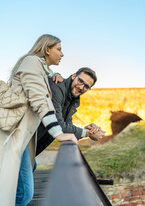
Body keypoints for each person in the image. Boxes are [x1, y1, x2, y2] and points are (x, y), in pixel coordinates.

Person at [0, 34, 78, 206]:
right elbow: (39, 99)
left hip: (23, 139)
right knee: (24, 194)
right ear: (47, 49)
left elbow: (38, 84)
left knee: (21, 183)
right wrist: (59, 133)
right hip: (14, 134)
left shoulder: (41, 69)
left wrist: (54, 75)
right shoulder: (32, 61)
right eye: (59, 49)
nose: (62, 54)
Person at [36, 67, 105, 156]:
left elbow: (67, 126)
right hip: (25, 139)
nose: (81, 87)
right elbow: (58, 124)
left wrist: (87, 129)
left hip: (35, 143)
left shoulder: (72, 100)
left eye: (86, 86)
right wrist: (88, 133)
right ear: (73, 76)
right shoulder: (57, 88)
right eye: (80, 81)